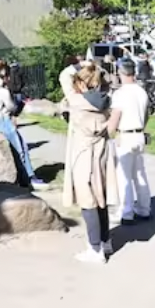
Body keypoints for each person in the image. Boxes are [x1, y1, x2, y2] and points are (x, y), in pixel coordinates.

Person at [63, 64, 119, 264]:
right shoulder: (106, 101)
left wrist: (79, 65)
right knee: (100, 198)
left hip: (84, 157)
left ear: (82, 83)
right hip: (101, 155)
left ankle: (95, 250)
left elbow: (64, 77)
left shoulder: (77, 102)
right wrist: (95, 69)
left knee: (88, 202)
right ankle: (105, 241)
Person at [108, 59, 152, 226]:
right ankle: (144, 208)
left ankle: (126, 212)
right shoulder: (141, 92)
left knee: (124, 176)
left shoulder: (120, 93)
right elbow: (146, 114)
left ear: (121, 73)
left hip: (125, 135)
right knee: (139, 173)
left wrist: (108, 133)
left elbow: (115, 116)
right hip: (139, 133)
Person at [0, 61, 44, 189]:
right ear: (7, 77)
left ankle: (21, 178)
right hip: (6, 121)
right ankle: (29, 178)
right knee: (21, 149)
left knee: (14, 151)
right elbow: (11, 107)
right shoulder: (3, 91)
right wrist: (19, 105)